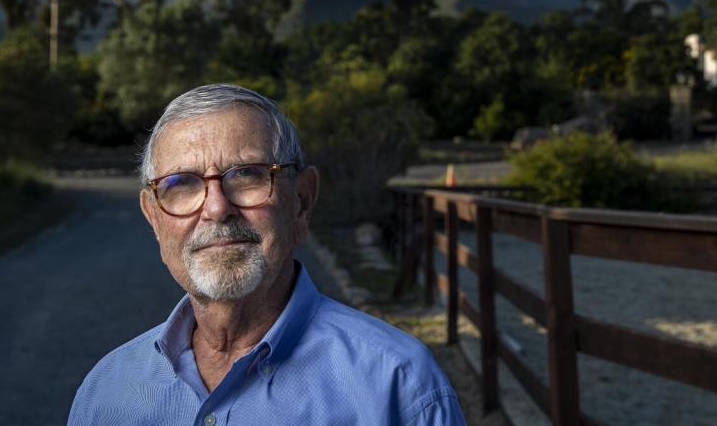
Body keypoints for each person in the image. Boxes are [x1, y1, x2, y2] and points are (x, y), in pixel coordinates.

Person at [68, 84, 465, 425]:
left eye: (247, 175)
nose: (217, 208)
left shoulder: (401, 386)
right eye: (182, 184)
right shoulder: (106, 392)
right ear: (154, 217)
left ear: (302, 201)